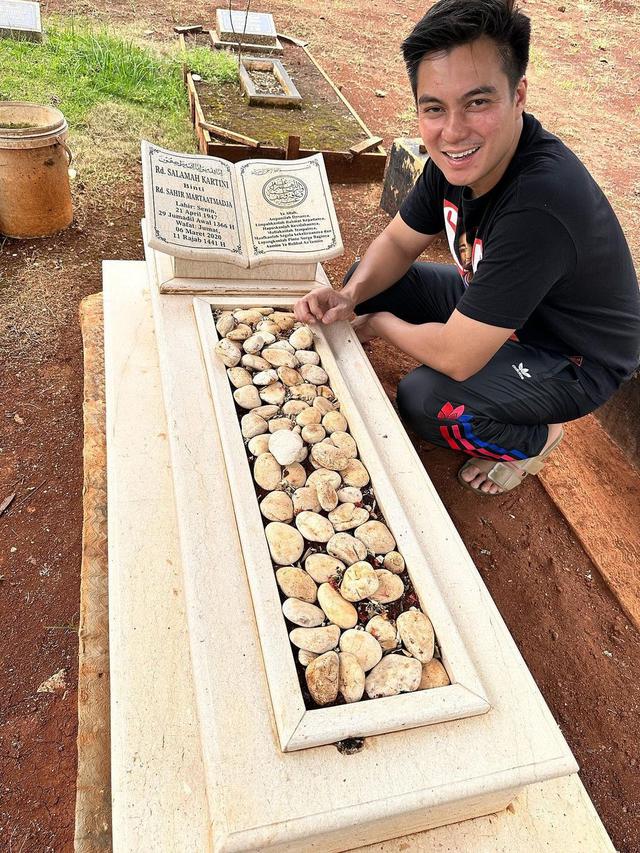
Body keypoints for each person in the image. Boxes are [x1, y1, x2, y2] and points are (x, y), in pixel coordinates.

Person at [294, 0, 640, 494]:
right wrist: (352, 299)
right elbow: (398, 241)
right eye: (434, 108)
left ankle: (536, 436)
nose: (452, 132)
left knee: (428, 399)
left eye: (478, 102)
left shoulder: (540, 206)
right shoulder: (455, 158)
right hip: (510, 312)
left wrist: (380, 325)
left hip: (570, 358)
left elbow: (457, 358)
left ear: (518, 94)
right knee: (366, 283)